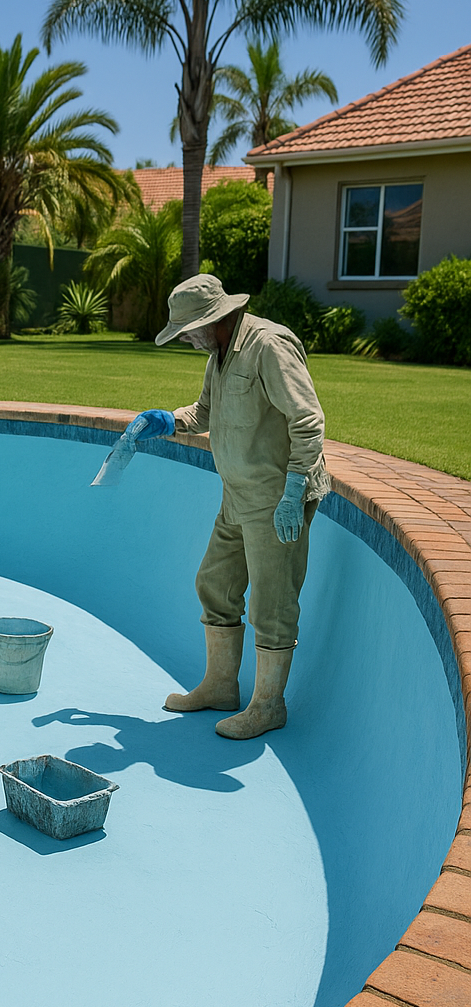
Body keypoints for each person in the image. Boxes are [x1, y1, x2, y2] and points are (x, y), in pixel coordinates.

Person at [130, 274, 329, 739]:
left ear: (214, 319)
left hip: (278, 497)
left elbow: (308, 419)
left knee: (272, 602)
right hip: (237, 496)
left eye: (188, 331)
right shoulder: (219, 352)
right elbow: (205, 411)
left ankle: (268, 706)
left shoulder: (269, 346)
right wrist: (165, 421)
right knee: (214, 584)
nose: (186, 339)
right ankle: (221, 686)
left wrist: (294, 490)